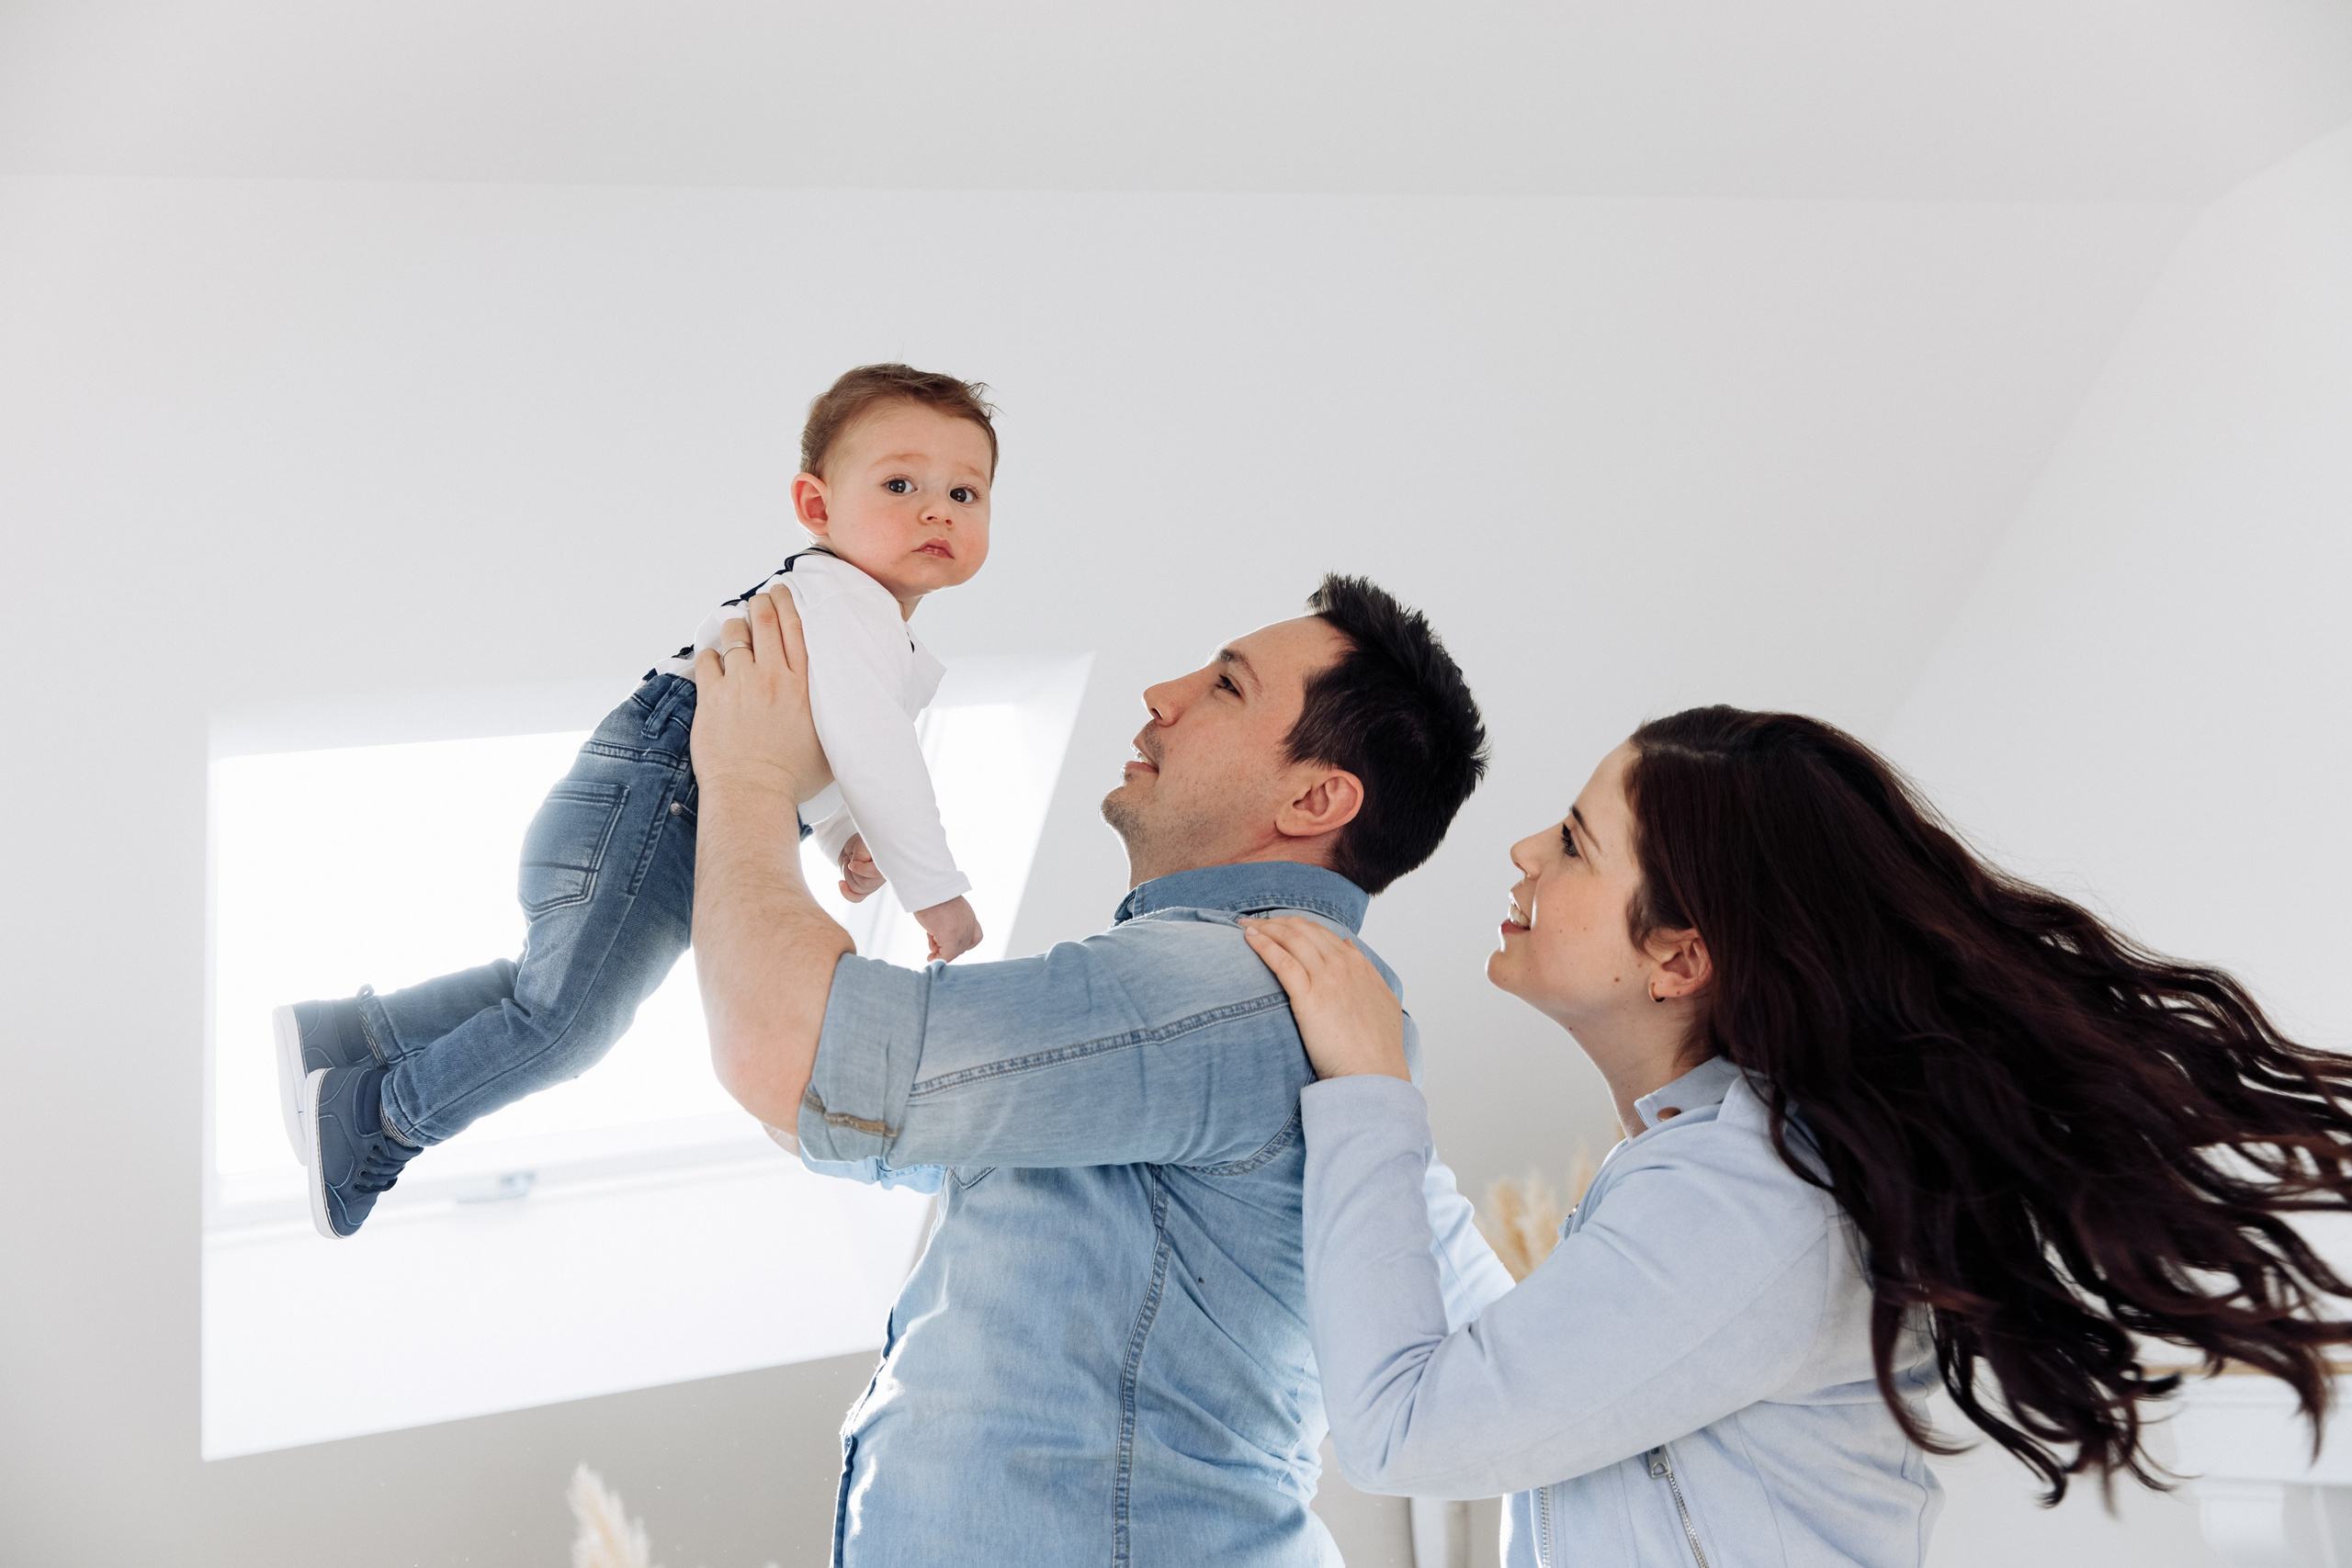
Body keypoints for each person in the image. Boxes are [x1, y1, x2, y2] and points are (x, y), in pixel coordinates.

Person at [1241, 705, 2352, 1568]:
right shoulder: (1724, 1164)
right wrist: (1380, 1111)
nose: (1528, 849)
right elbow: (1535, 1372)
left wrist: (1370, 1099)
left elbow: (1404, 1434)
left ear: (1679, 958)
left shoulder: (1745, 1198)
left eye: (1576, 843)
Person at [687, 574, 1514, 1566]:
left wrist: (746, 774)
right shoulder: (1240, 998)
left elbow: (791, 1055)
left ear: (1315, 798)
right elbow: (828, 1110)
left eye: (1226, 686)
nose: (1162, 694)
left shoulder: (1223, 988)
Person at [275, 363, 996, 1239]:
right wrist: (936, 892)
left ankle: (352, 1037)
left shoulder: (856, 618)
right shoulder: (849, 602)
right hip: (661, 799)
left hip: (644, 799)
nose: (937, 511)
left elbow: (830, 739)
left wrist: (843, 832)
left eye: (964, 493)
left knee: (541, 996)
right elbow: (876, 748)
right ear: (816, 506)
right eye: (901, 485)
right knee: (566, 1026)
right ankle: (377, 1118)